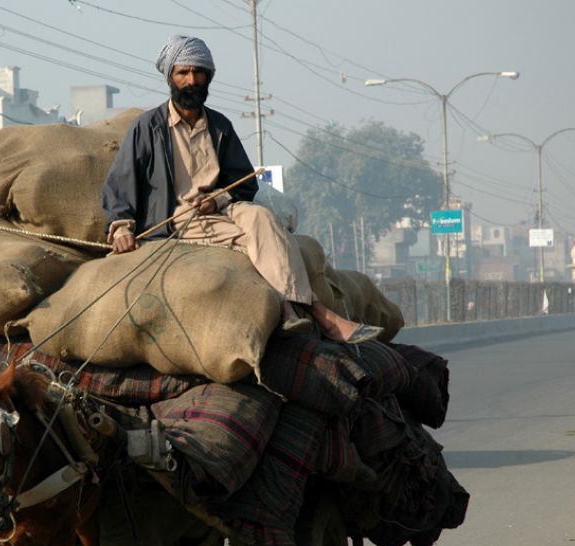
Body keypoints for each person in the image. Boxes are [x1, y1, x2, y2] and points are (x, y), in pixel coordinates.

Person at [101, 35, 381, 344]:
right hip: (179, 218)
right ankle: (314, 313)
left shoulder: (220, 126)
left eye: (198, 73)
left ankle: (296, 308)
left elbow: (245, 182)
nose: (191, 81)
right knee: (249, 240)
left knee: (263, 219)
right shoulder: (148, 127)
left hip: (221, 209)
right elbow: (121, 182)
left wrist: (218, 199)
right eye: (183, 73)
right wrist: (121, 228)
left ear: (208, 77)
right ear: (171, 77)